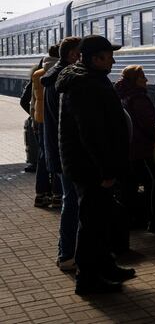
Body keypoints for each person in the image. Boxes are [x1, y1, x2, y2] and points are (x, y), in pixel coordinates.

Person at [55, 35, 134, 294]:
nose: (113, 59)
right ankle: (87, 279)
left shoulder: (90, 79)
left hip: (91, 166)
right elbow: (92, 134)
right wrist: (106, 171)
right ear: (95, 59)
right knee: (91, 225)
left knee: (101, 220)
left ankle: (105, 265)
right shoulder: (85, 85)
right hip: (91, 169)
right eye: (109, 55)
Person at [41, 36, 81, 271]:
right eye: (80, 54)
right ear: (73, 55)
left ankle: (67, 252)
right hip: (68, 152)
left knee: (71, 202)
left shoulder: (52, 75)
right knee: (72, 203)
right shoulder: (64, 79)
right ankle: (67, 254)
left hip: (59, 150)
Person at [114, 65, 155, 232]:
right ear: (133, 80)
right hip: (141, 150)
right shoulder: (138, 99)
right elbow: (148, 125)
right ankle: (154, 221)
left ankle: (134, 219)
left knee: (130, 186)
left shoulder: (123, 96)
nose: (145, 80)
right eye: (141, 77)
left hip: (130, 149)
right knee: (153, 182)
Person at [32, 47, 62, 208]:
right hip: (54, 119)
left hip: (40, 119)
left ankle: (41, 194)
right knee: (57, 155)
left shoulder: (37, 74)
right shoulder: (61, 73)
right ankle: (58, 194)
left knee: (43, 157)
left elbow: (32, 100)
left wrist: (34, 118)